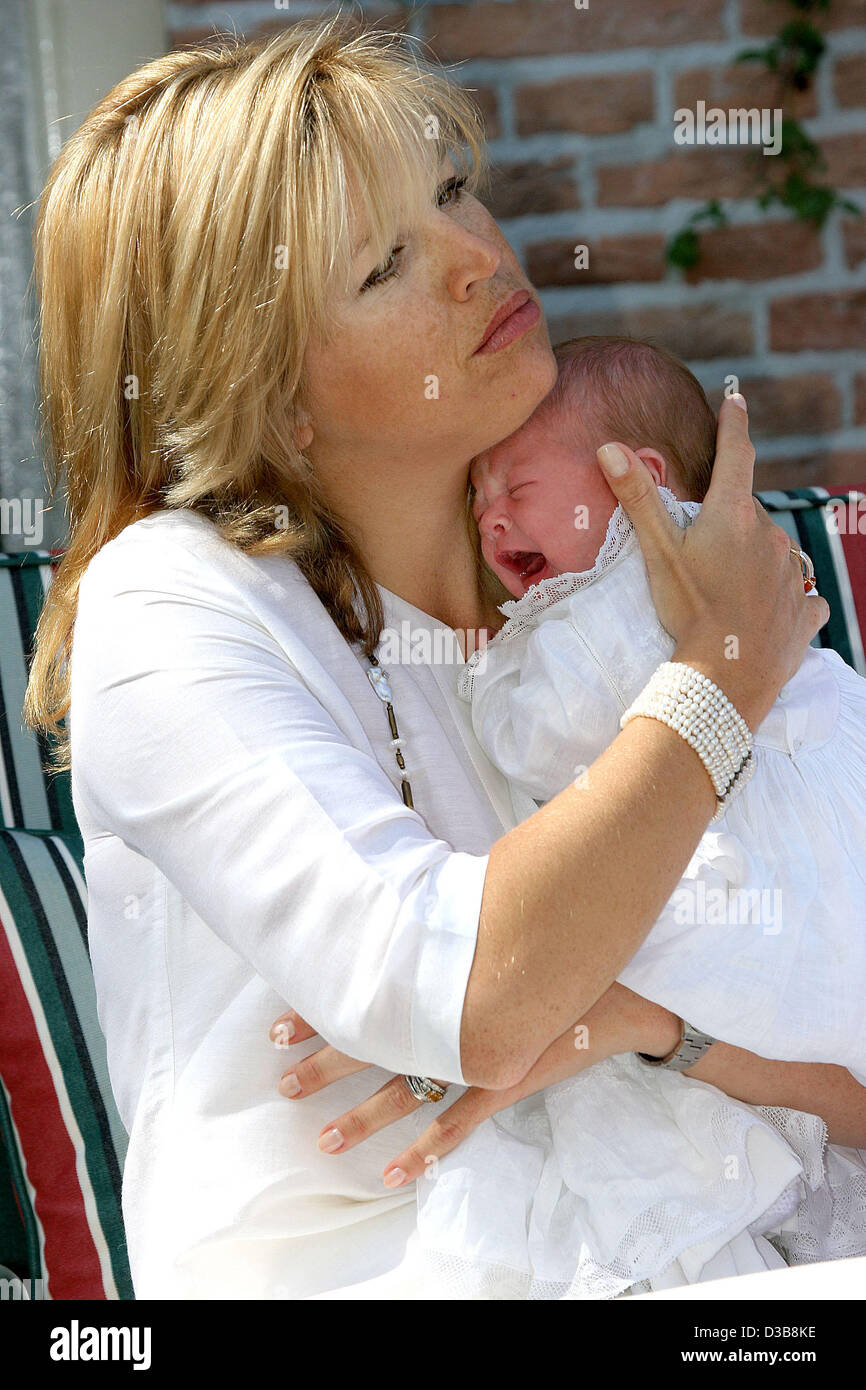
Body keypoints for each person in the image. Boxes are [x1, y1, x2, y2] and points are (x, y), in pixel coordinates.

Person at [22, 18, 864, 1299]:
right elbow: (467, 992)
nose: (479, 259)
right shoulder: (172, 611)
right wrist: (721, 673)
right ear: (268, 393)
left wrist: (650, 1028)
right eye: (385, 267)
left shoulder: (595, 578)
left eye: (455, 191)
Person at [376, 335, 866, 1298]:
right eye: (474, 500)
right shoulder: (756, 579)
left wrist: (487, 676)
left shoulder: (627, 590)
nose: (489, 518)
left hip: (754, 955)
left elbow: (540, 735)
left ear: (638, 478)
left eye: (513, 484)